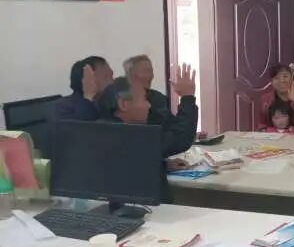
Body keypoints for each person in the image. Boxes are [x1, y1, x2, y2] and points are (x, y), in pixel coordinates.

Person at [98, 64, 198, 203]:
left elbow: (131, 165)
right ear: (124, 104)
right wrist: (187, 97)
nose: (149, 105)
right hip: (145, 211)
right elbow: (180, 137)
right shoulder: (132, 135)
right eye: (144, 99)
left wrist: (161, 164)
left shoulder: (100, 129)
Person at [258, 64, 294, 134]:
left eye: (285, 76)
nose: (281, 80)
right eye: (276, 78)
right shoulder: (265, 99)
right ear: (271, 82)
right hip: (274, 137)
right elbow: (262, 124)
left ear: (292, 78)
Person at [53, 56, 114, 121]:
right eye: (106, 77)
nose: (112, 82)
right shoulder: (63, 107)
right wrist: (88, 96)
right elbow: (81, 126)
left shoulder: (108, 105)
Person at [123, 55, 171, 124]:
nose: (151, 76)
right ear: (130, 74)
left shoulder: (160, 99)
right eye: (145, 71)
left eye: (151, 71)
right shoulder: (119, 99)